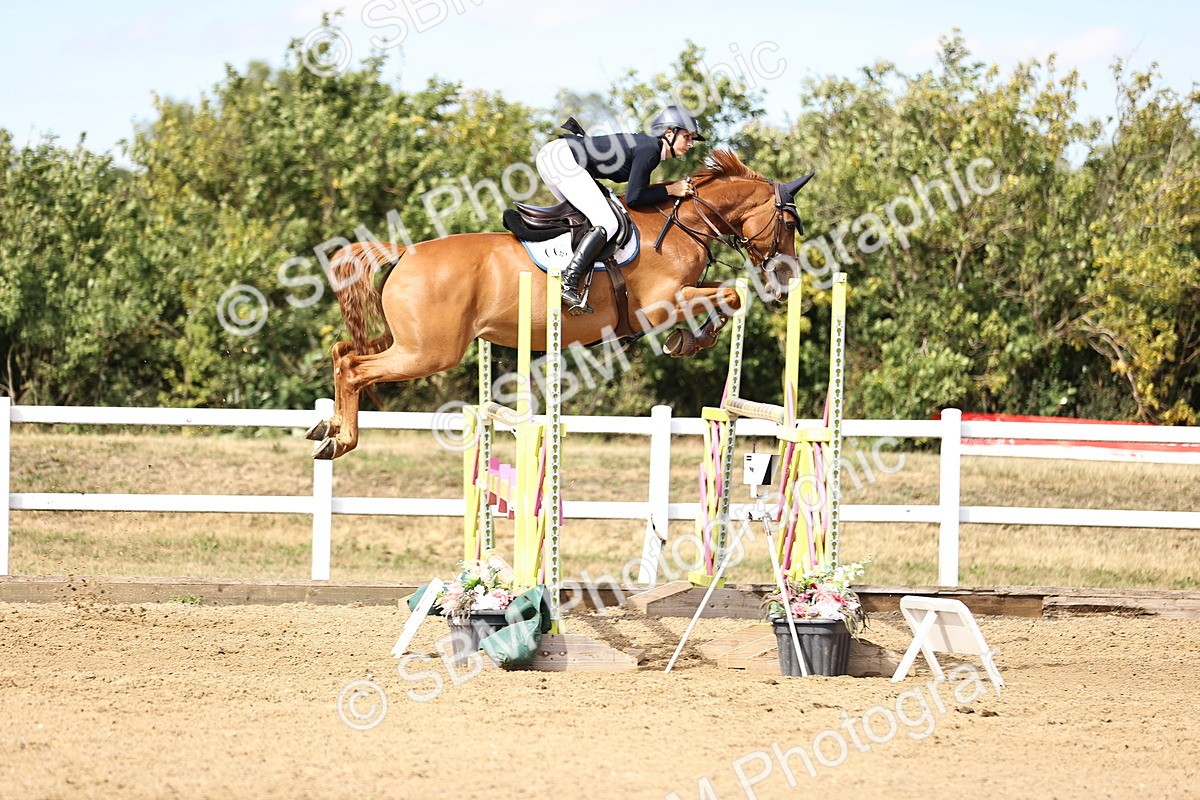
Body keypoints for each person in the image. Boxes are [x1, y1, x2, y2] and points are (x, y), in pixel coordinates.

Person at [534, 105, 704, 314]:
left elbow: (634, 194)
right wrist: (671, 189)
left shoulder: (648, 148)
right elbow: (634, 198)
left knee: (585, 219)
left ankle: (557, 267)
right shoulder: (650, 149)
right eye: (687, 136)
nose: (691, 144)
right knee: (608, 222)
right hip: (563, 158)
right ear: (669, 133)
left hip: (555, 156)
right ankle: (568, 283)